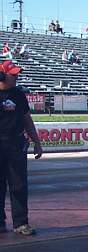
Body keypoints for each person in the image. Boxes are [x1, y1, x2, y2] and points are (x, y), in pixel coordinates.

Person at [0, 60, 43, 235]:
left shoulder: (18, 94)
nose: (17, 77)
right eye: (13, 74)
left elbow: (27, 119)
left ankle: (21, 223)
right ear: (2, 75)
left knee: (18, 185)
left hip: (16, 144)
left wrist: (37, 142)